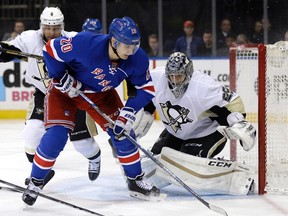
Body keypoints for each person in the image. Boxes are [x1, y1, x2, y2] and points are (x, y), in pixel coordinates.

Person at [22, 16, 161, 206]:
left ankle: (135, 180)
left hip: (102, 95)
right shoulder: (85, 43)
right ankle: (35, 182)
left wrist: (127, 114)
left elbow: (145, 89)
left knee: (124, 135)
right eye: (127, 46)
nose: (131, 51)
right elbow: (50, 49)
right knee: (57, 135)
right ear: (114, 41)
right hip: (65, 93)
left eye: (135, 45)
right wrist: (59, 76)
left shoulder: (137, 59)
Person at [0, 7, 101, 185]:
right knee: (31, 135)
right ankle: (43, 173)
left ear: (62, 27)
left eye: (55, 28)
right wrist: (3, 52)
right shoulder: (29, 38)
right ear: (42, 26)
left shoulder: (73, 39)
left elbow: (93, 57)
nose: (52, 32)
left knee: (83, 144)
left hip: (72, 95)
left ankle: (94, 158)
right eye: (48, 28)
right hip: (44, 94)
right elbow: (11, 49)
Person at [138, 52, 257, 195]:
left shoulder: (203, 86)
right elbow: (146, 96)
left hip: (207, 133)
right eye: (171, 76)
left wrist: (239, 122)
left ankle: (236, 174)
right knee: (154, 161)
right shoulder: (157, 78)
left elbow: (233, 100)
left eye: (179, 76)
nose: (174, 81)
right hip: (176, 133)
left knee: (185, 163)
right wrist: (142, 116)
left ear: (188, 74)